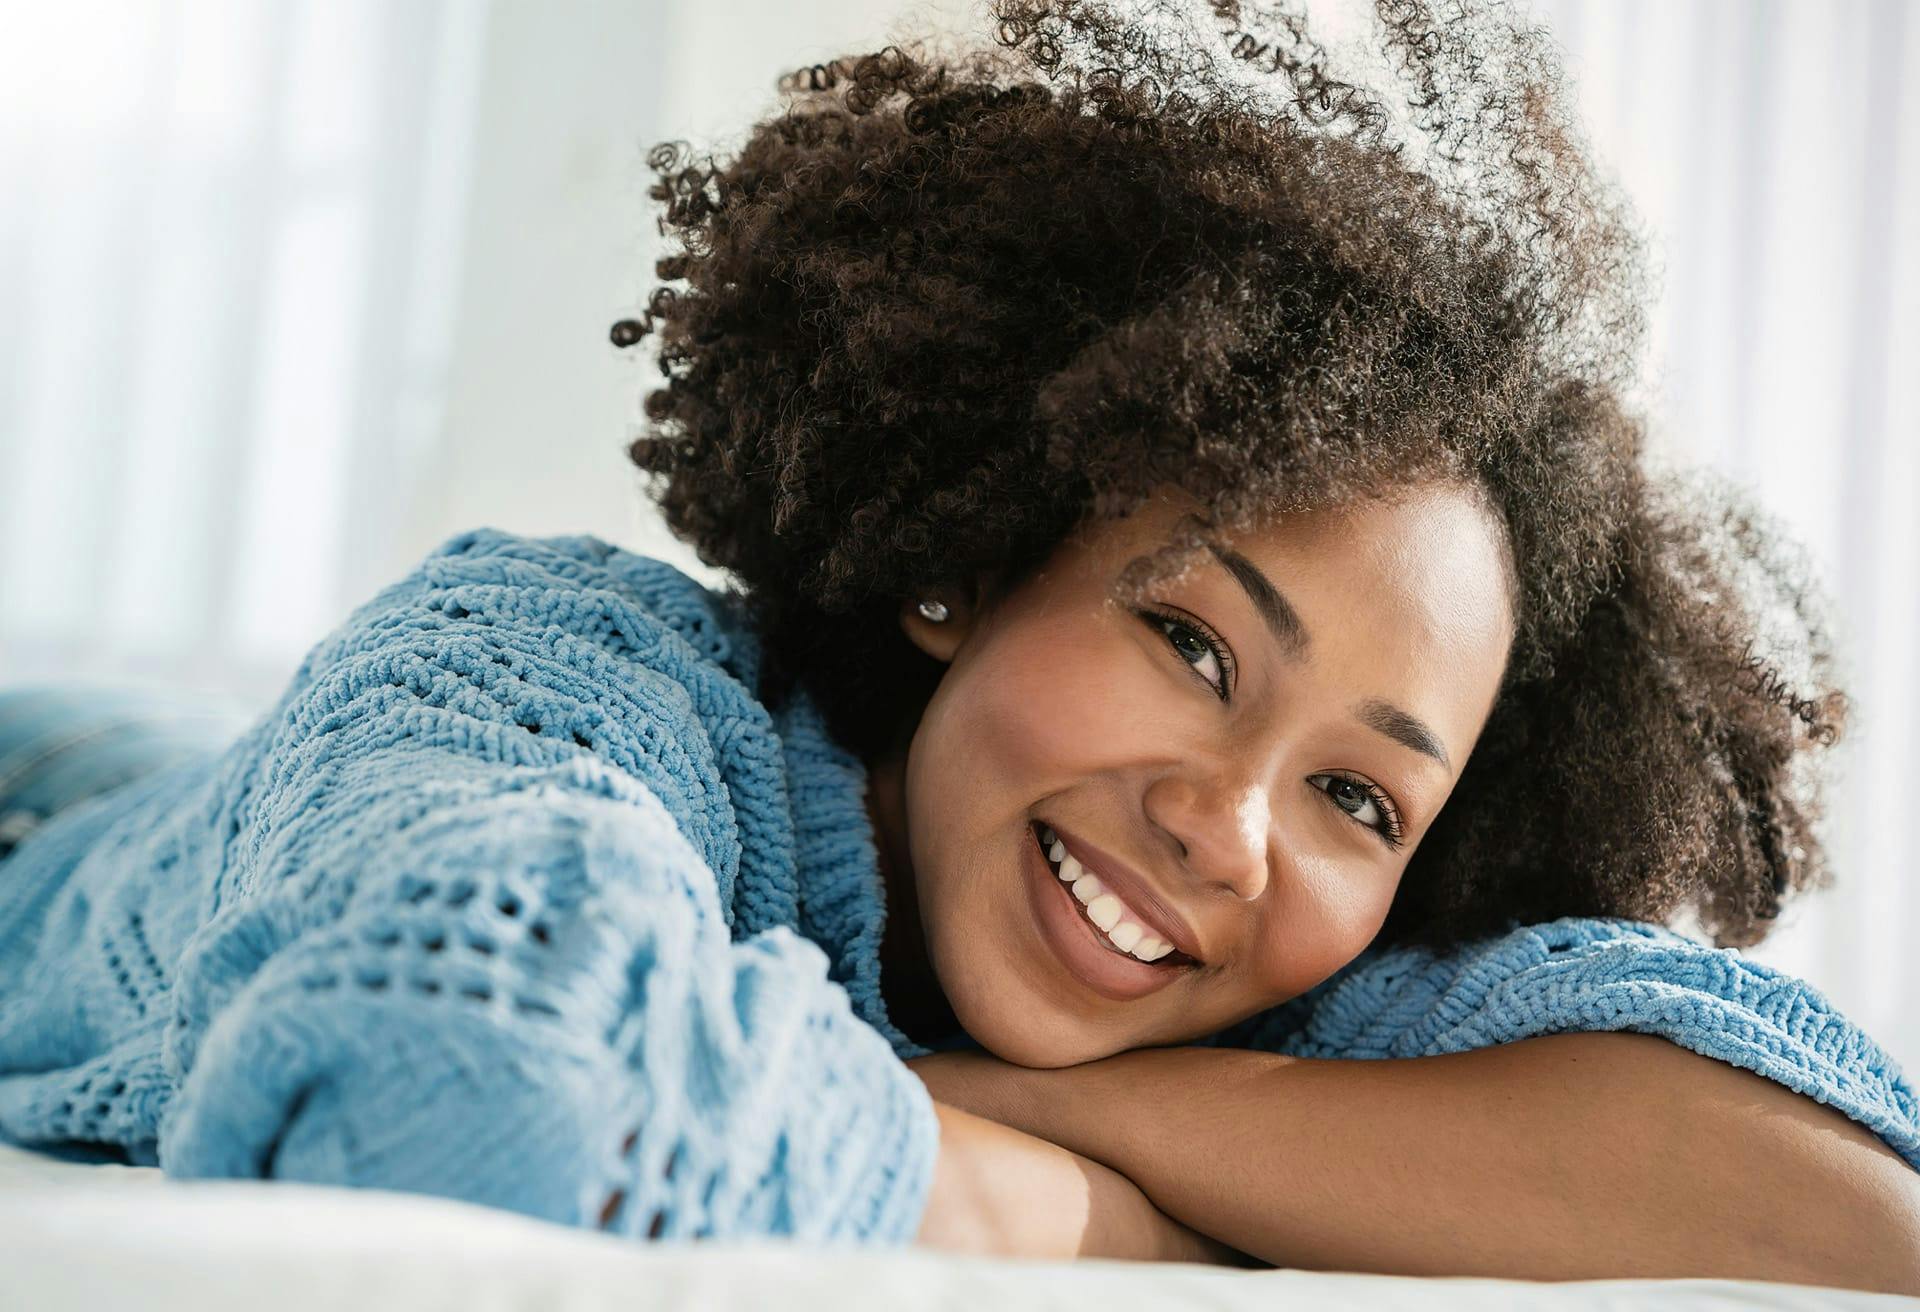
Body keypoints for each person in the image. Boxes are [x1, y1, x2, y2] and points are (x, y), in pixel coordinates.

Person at [1, 0, 1915, 1291]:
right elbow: (468, 1065)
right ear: (961, 562)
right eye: (1188, 639)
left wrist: (1076, 1102)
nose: (1230, 830)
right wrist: (1111, 1214)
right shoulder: (555, 668)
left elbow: (1854, 1209)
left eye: (1360, 789)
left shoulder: (1263, 948)